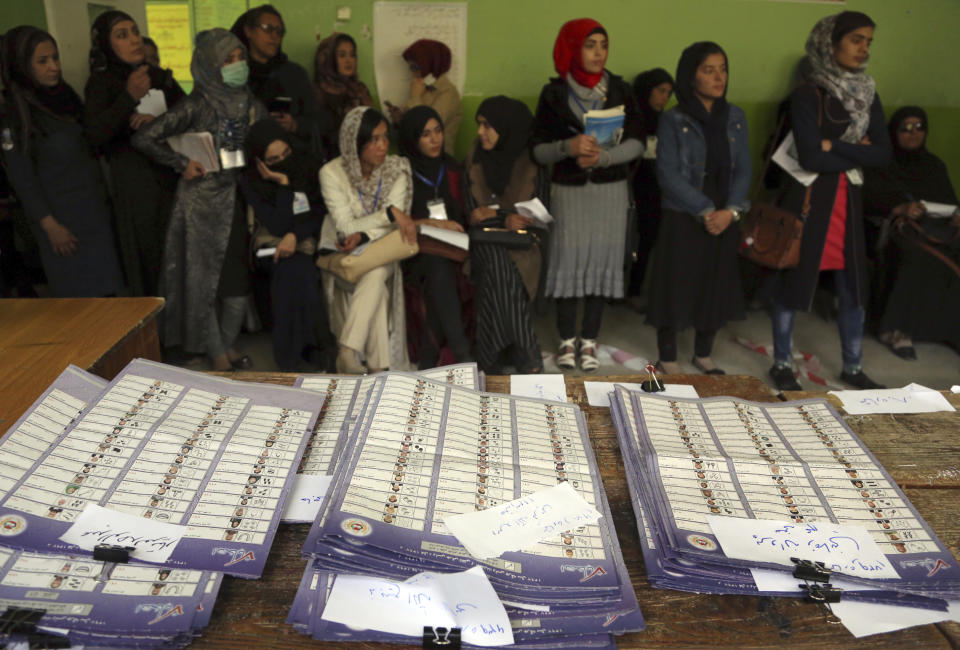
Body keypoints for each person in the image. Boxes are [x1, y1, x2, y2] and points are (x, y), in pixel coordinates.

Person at [767, 11, 891, 391]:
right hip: (809, 197)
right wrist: (856, 149)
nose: (863, 48)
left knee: (853, 282)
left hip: (848, 200)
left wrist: (832, 144)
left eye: (868, 41)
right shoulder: (808, 93)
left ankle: (853, 368)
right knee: (794, 277)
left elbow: (884, 153)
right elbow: (809, 157)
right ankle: (782, 363)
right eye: (855, 39)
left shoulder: (868, 93)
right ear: (830, 42)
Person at [132, 28, 266, 370]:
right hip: (199, 205)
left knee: (236, 286)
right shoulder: (197, 104)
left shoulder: (249, 101)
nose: (237, 65)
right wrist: (180, 163)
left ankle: (225, 344)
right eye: (228, 60)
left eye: (241, 58)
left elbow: (263, 140)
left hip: (235, 202)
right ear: (209, 65)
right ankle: (220, 355)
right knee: (201, 282)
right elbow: (146, 137)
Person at [531, 18, 643, 372]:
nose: (598, 53)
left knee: (602, 263)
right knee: (569, 261)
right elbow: (537, 151)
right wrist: (568, 146)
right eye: (590, 45)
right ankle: (567, 340)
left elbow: (638, 142)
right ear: (572, 48)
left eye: (603, 45)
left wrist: (605, 157)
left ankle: (590, 340)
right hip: (569, 192)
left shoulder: (622, 91)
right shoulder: (553, 95)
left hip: (610, 191)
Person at [647, 42, 750, 375]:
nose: (718, 77)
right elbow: (668, 173)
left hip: (724, 210)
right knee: (675, 283)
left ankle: (703, 354)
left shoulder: (735, 117)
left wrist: (731, 210)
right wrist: (706, 210)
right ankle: (668, 357)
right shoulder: (674, 119)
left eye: (723, 69)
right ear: (691, 76)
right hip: (686, 211)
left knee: (715, 283)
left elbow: (744, 169)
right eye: (708, 70)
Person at [1, 26, 123, 297]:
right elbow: (22, 177)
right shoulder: (15, 114)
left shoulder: (65, 98)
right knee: (81, 304)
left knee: (112, 299)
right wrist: (50, 226)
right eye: (43, 61)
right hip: (63, 226)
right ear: (21, 65)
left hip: (94, 215)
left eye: (55, 58)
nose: (54, 67)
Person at [84, 10, 185, 297]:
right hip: (136, 188)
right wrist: (128, 97)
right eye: (122, 35)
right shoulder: (101, 83)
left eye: (135, 31)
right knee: (150, 264)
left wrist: (160, 123)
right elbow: (94, 137)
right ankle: (159, 339)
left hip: (171, 179)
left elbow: (193, 118)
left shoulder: (158, 76)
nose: (133, 40)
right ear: (106, 45)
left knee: (179, 260)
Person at [318, 107, 415, 373]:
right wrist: (388, 214)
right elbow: (345, 226)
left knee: (376, 270)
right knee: (377, 280)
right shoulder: (332, 173)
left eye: (385, 138)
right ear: (354, 142)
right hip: (343, 254)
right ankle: (379, 370)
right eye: (373, 140)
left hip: (381, 250)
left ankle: (348, 352)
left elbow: (395, 226)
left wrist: (366, 233)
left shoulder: (396, 170)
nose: (382, 146)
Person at [864, 106, 960, 358]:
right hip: (898, 229)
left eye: (919, 128)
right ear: (893, 132)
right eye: (905, 128)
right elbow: (867, 198)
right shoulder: (882, 163)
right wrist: (900, 208)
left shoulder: (933, 165)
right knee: (915, 257)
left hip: (937, 229)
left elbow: (950, 200)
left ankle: (950, 330)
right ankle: (896, 329)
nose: (913, 134)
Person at [239, 118, 334, 371]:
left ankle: (303, 354)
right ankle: (298, 357)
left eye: (286, 153)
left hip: (304, 241)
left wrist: (295, 235)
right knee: (291, 270)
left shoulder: (308, 165)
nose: (284, 161)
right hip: (270, 246)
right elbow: (277, 224)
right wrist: (282, 184)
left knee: (298, 270)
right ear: (259, 161)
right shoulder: (251, 181)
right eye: (273, 160)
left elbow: (318, 212)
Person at [464, 95, 545, 374]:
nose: (480, 132)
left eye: (487, 126)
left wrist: (502, 217)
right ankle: (528, 351)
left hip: (522, 243)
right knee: (497, 262)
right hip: (483, 240)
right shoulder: (477, 155)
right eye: (479, 125)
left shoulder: (530, 159)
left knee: (502, 270)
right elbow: (472, 212)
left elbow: (539, 213)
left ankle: (491, 358)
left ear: (506, 127)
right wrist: (503, 218)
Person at [398, 105, 472, 367]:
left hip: (455, 246)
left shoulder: (451, 168)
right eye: (425, 134)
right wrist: (430, 225)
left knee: (445, 269)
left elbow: (465, 214)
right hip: (417, 250)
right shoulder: (403, 173)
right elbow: (399, 222)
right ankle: (461, 353)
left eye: (438, 131)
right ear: (412, 138)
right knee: (437, 268)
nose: (435, 139)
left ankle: (431, 356)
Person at [230, 4, 328, 158]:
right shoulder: (234, 73)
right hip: (244, 161)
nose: (274, 36)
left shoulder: (295, 74)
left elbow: (317, 121)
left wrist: (294, 124)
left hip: (288, 159)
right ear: (248, 31)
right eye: (267, 28)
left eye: (279, 31)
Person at [627, 67, 673, 312]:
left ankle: (635, 289)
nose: (664, 98)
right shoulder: (633, 119)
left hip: (655, 189)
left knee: (648, 239)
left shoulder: (667, 122)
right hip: (631, 185)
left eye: (668, 92)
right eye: (660, 91)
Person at [385, 39, 461, 156]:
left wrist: (415, 96)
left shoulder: (448, 92)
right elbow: (407, 133)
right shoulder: (422, 89)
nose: (413, 74)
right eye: (411, 68)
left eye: (415, 68)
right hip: (415, 159)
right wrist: (399, 121)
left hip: (438, 161)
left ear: (430, 64)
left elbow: (424, 128)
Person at [314, 32, 372, 154]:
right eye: (342, 55)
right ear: (329, 59)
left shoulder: (360, 89)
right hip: (332, 160)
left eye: (352, 55)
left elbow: (374, 125)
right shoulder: (318, 92)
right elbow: (321, 137)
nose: (348, 60)